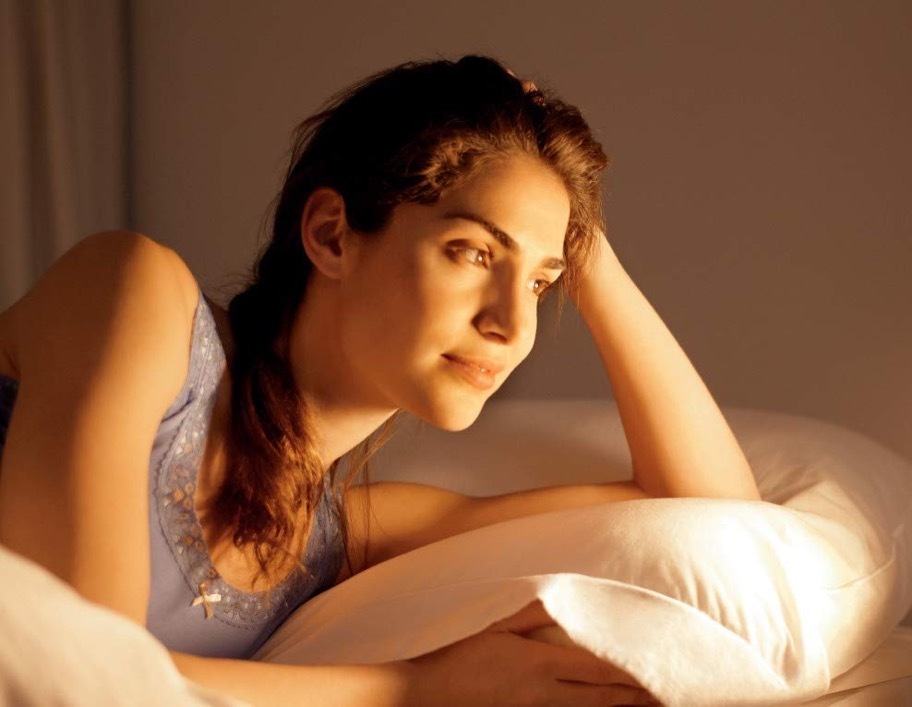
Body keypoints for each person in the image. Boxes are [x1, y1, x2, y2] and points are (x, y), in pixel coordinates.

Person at [0, 55, 760, 705]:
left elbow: (714, 511)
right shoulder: (134, 295)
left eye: (538, 284)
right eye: (472, 252)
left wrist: (583, 244)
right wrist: (412, 686)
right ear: (332, 234)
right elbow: (80, 674)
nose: (511, 325)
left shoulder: (336, 537)